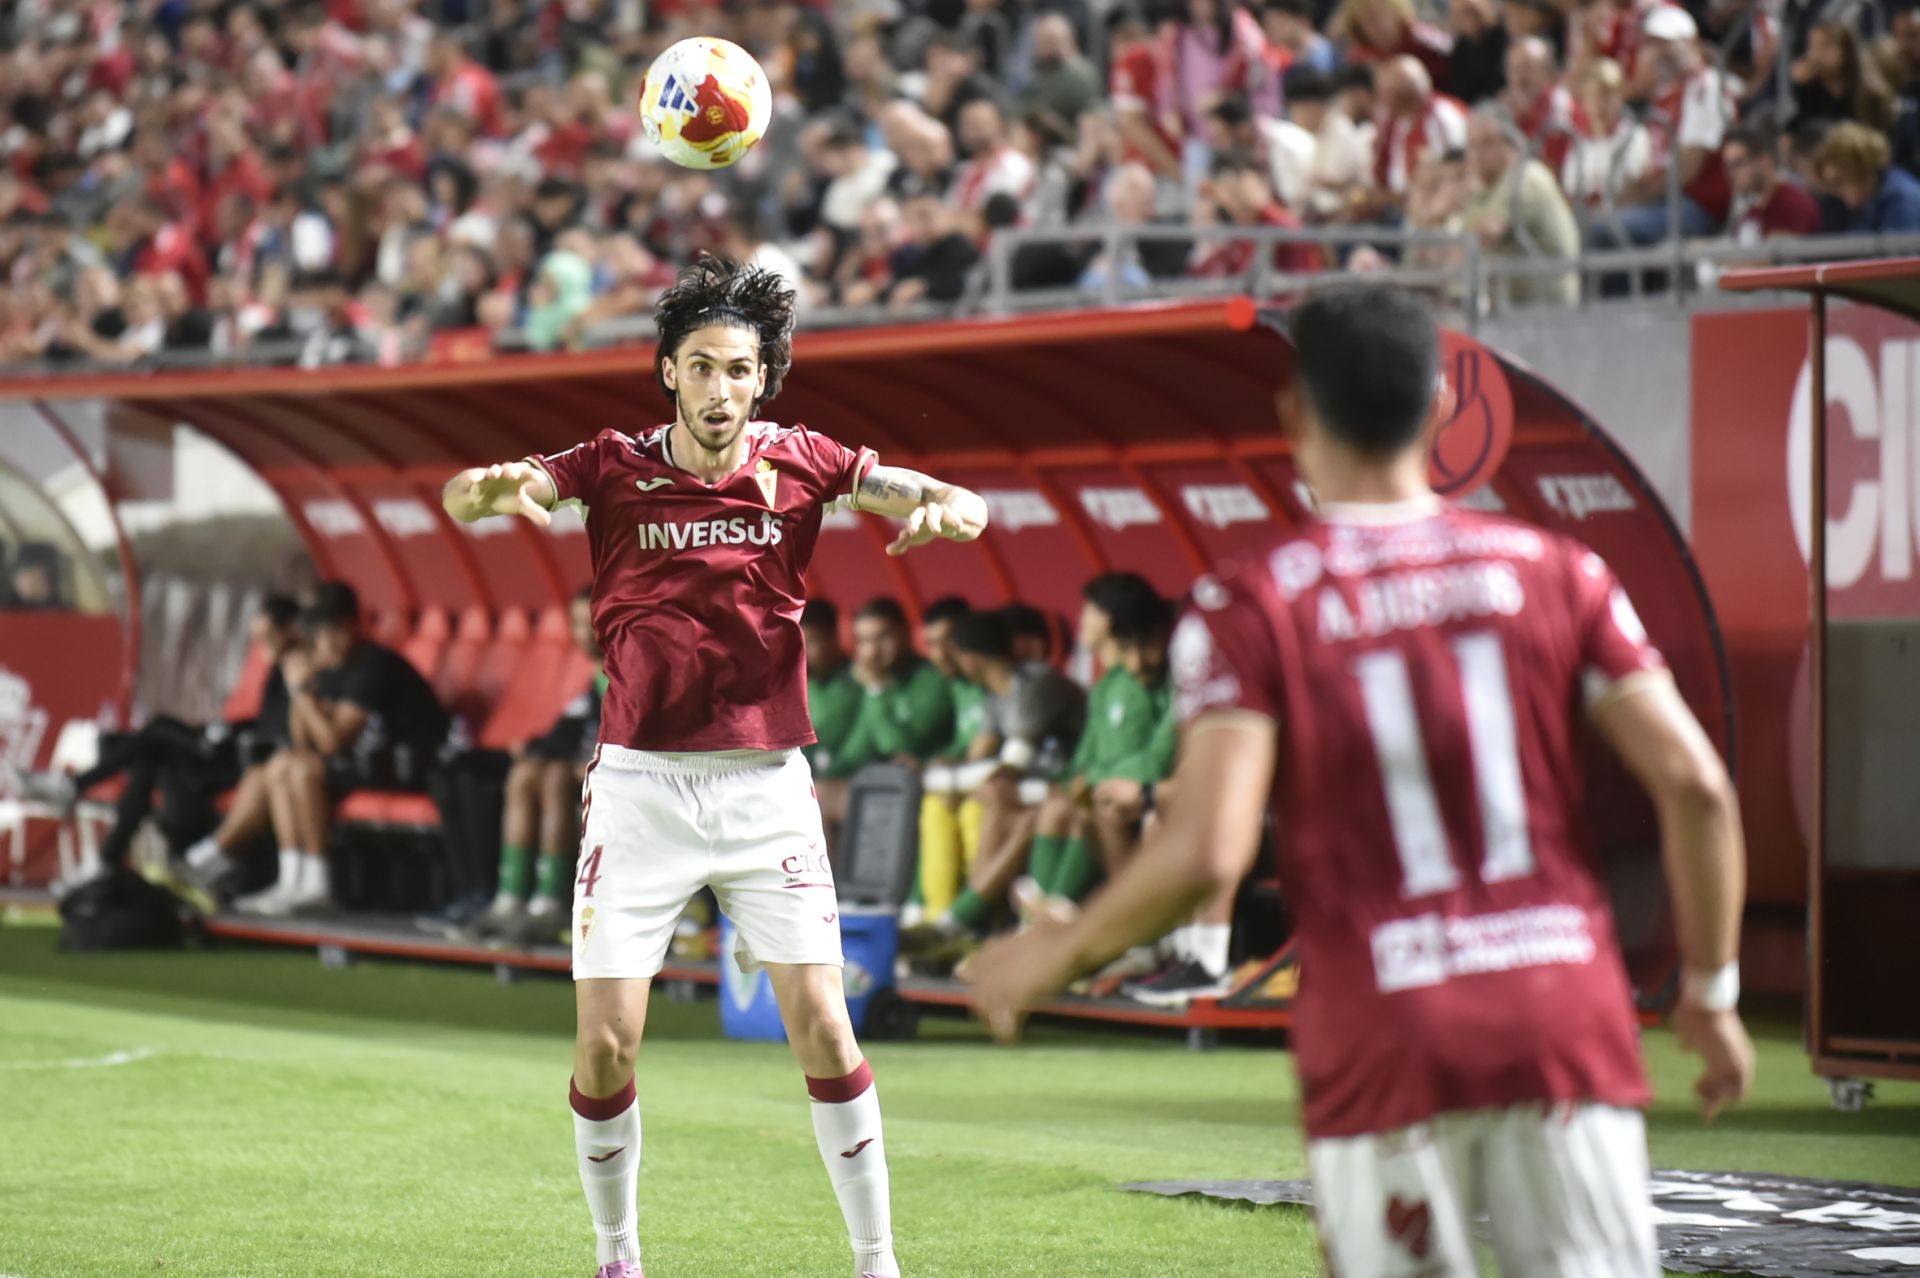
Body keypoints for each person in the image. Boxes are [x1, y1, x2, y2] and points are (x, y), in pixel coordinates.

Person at [969, 283, 1754, 1276]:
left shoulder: (1252, 604)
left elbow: (1208, 846)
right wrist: (1711, 990)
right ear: (1440, 408)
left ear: (1295, 413)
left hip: (1385, 1031)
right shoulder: (1559, 570)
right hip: (1558, 1016)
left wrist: (1056, 952)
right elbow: (1697, 788)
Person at [440, 255, 988, 1278]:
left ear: (763, 378)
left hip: (764, 788)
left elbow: (931, 494)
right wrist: (488, 491)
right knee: (605, 1045)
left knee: (824, 1026)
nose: (721, 387)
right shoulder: (610, 463)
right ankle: (618, 1255)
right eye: (701, 366)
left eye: (739, 369)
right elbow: (473, 494)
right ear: (669, 373)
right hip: (639, 789)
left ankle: (877, 1262)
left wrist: (957, 508)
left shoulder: (804, 459)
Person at [19, 594, 298, 888]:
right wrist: (224, 728)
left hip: (238, 759)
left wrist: (234, 731)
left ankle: (77, 793)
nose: (261, 648)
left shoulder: (297, 671)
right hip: (229, 745)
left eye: (267, 638)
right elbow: (260, 719)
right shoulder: (277, 670)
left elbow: (279, 727)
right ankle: (105, 854)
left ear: (290, 629)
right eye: (257, 640)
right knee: (148, 759)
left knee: (159, 728)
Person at [234, 581, 450, 916]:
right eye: (319, 632)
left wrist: (302, 691)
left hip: (409, 766)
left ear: (352, 625)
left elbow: (332, 742)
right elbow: (302, 741)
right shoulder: (332, 667)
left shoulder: (374, 665)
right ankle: (292, 880)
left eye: (333, 630)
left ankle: (318, 885)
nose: (326, 641)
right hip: (365, 764)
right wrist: (298, 689)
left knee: (303, 770)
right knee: (282, 764)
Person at [901, 608, 1085, 965]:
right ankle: (971, 927)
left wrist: (958, 781)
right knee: (988, 803)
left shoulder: (1037, 683)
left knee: (1001, 803)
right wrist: (955, 776)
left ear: (969, 658)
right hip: (1032, 792)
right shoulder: (993, 694)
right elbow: (980, 756)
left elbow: (1013, 764)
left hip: (1068, 786)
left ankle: (961, 925)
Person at [466, 590, 606, 948]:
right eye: (576, 624)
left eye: (589, 622)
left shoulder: (628, 673)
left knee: (556, 776)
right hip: (598, 771)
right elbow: (573, 726)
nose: (583, 633)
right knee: (524, 773)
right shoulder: (598, 675)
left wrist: (589, 766)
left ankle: (550, 903)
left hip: (633, 778)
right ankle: (510, 898)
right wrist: (532, 748)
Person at [813, 597, 955, 844]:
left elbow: (897, 746)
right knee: (813, 795)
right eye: (864, 641)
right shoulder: (866, 682)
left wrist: (876, 689)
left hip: (921, 787)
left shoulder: (931, 680)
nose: (873, 651)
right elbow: (852, 745)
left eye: (883, 638)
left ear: (905, 633)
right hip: (879, 784)